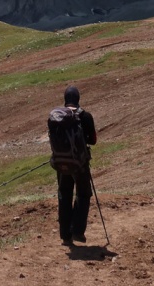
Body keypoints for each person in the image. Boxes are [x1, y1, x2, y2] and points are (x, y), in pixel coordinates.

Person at [54, 85, 97, 246]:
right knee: (83, 194)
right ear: (78, 99)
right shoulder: (85, 116)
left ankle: (65, 235)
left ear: (65, 99)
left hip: (61, 163)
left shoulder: (57, 118)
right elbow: (93, 140)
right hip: (80, 163)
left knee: (64, 195)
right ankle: (77, 231)